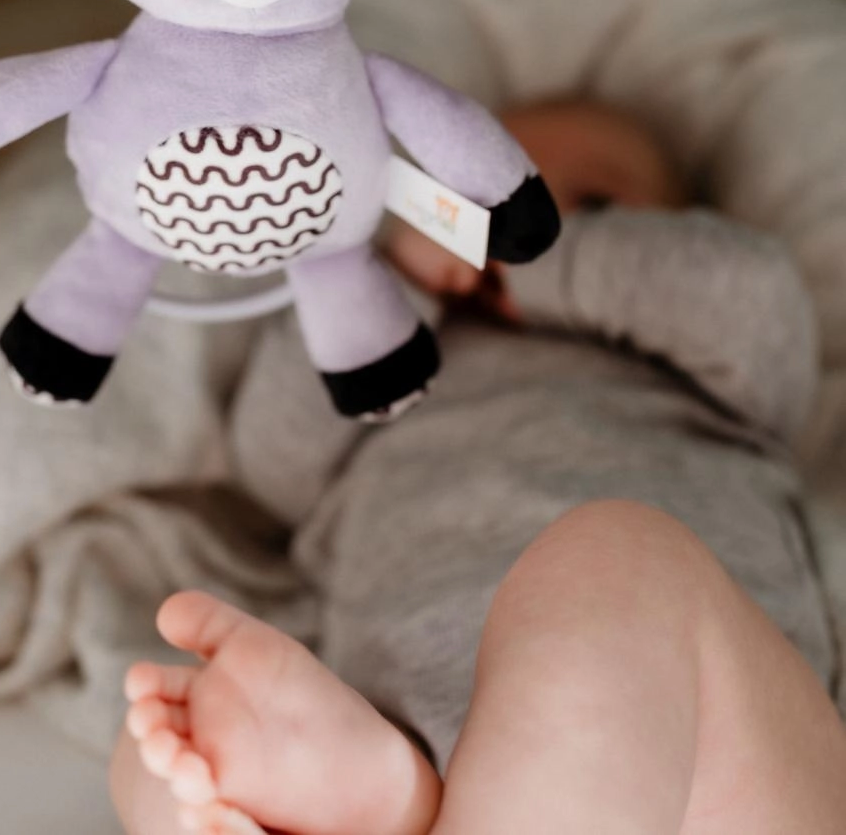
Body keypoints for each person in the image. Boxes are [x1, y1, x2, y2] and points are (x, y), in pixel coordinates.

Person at [111, 100, 846, 834]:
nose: (498, 218)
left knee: (618, 556)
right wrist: (387, 288)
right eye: (462, 197)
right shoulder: (383, 353)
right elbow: (273, 463)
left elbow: (752, 305)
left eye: (591, 203)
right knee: (193, 724)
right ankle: (387, 801)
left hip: (708, 766)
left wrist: (538, 255)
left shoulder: (691, 359)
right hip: (410, 741)